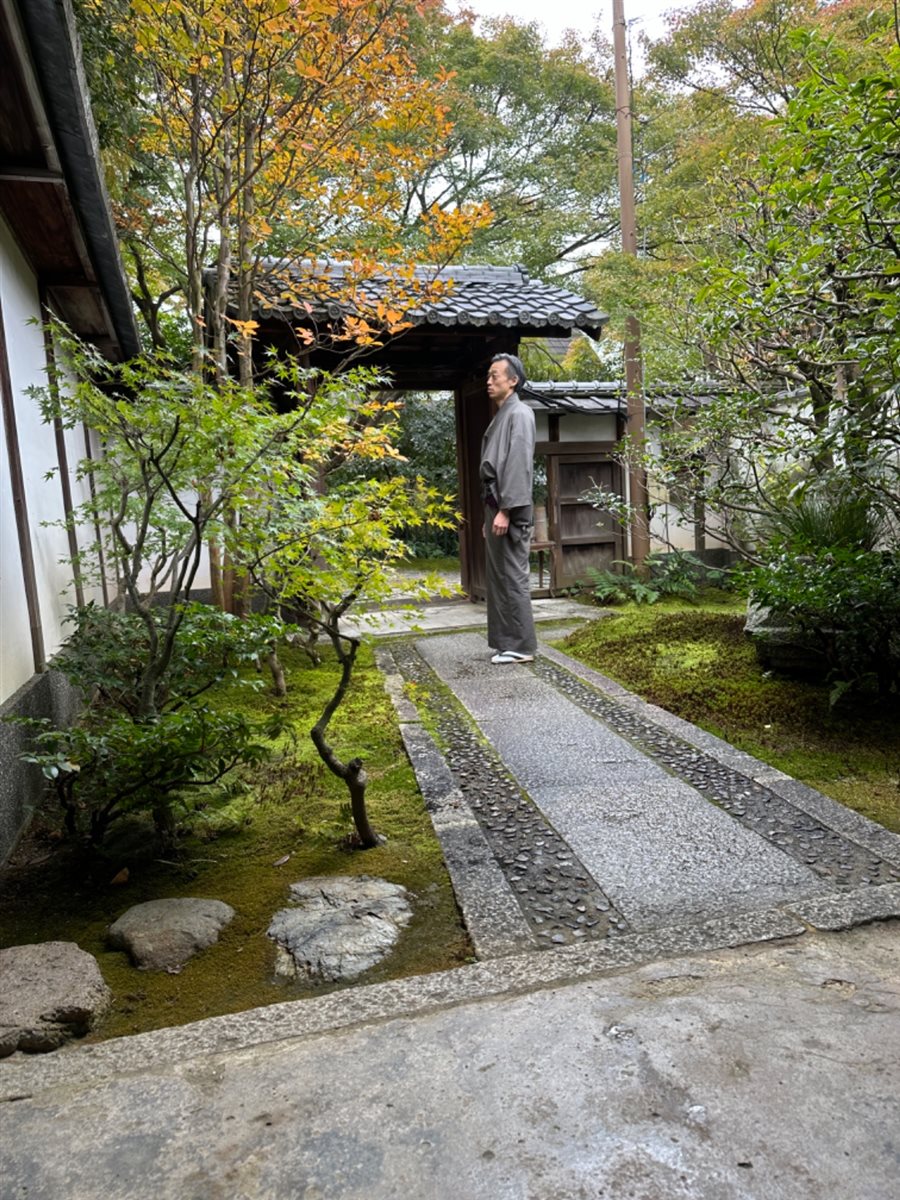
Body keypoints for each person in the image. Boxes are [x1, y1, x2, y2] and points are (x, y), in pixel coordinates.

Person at [480, 353, 538, 664]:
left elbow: (518, 466)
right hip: (497, 505)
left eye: (495, 376)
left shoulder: (521, 414)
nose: (489, 382)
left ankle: (522, 646)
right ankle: (507, 642)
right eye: (488, 376)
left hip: (510, 507)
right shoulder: (503, 415)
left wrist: (505, 510)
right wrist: (487, 515)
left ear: (513, 380)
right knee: (499, 574)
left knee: (512, 573)